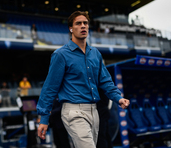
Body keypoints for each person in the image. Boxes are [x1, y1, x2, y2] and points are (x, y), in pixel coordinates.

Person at [37, 11, 130, 148]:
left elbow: (105, 81)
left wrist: (118, 98)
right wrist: (44, 119)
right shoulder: (60, 55)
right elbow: (50, 88)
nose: (83, 26)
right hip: (73, 111)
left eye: (85, 23)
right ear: (71, 28)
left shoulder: (95, 54)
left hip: (94, 111)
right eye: (78, 23)